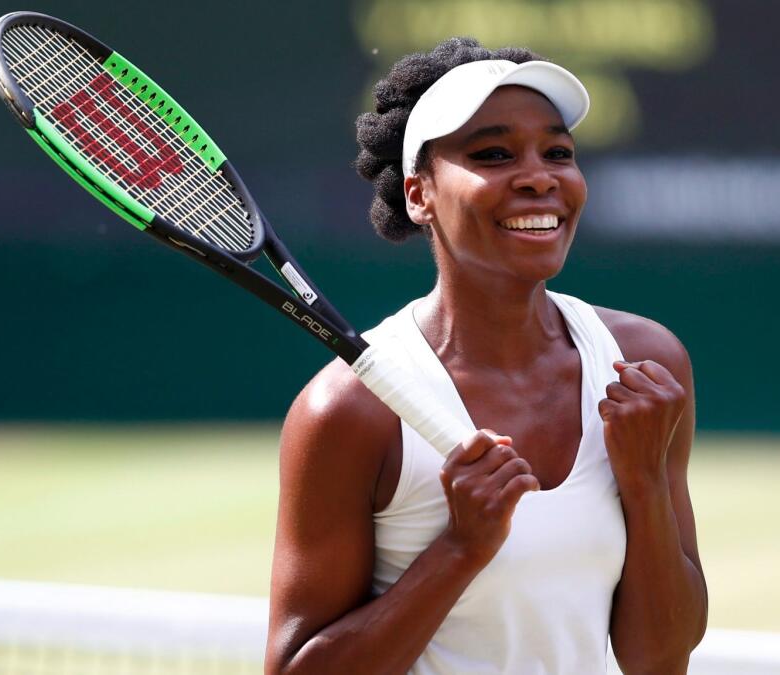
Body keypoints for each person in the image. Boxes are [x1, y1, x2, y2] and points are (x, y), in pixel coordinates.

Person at [265, 37, 707, 675]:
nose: (539, 176)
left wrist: (642, 484)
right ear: (419, 195)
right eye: (494, 154)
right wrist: (459, 549)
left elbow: (659, 659)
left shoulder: (643, 363)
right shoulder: (349, 410)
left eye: (558, 152)